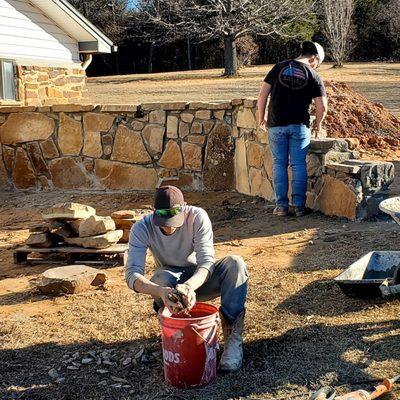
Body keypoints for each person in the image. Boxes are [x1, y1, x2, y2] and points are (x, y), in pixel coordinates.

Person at [125, 185, 248, 371]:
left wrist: (189, 286)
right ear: (153, 212)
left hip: (200, 279)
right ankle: (182, 337)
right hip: (171, 286)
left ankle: (233, 340)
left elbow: (207, 263)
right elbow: (132, 274)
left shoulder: (197, 216)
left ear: (185, 207)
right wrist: (160, 291)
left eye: (173, 220)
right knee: (159, 278)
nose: (169, 227)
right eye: (163, 222)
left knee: (236, 264)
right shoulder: (141, 228)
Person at [257, 41, 328, 217]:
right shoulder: (313, 75)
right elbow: (323, 106)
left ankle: (281, 206)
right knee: (298, 165)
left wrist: (261, 117)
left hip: (276, 125)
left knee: (279, 164)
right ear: (314, 58)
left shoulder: (278, 67)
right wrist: (318, 123)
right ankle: (299, 207)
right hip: (299, 126)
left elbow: (263, 94)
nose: (317, 66)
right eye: (318, 63)